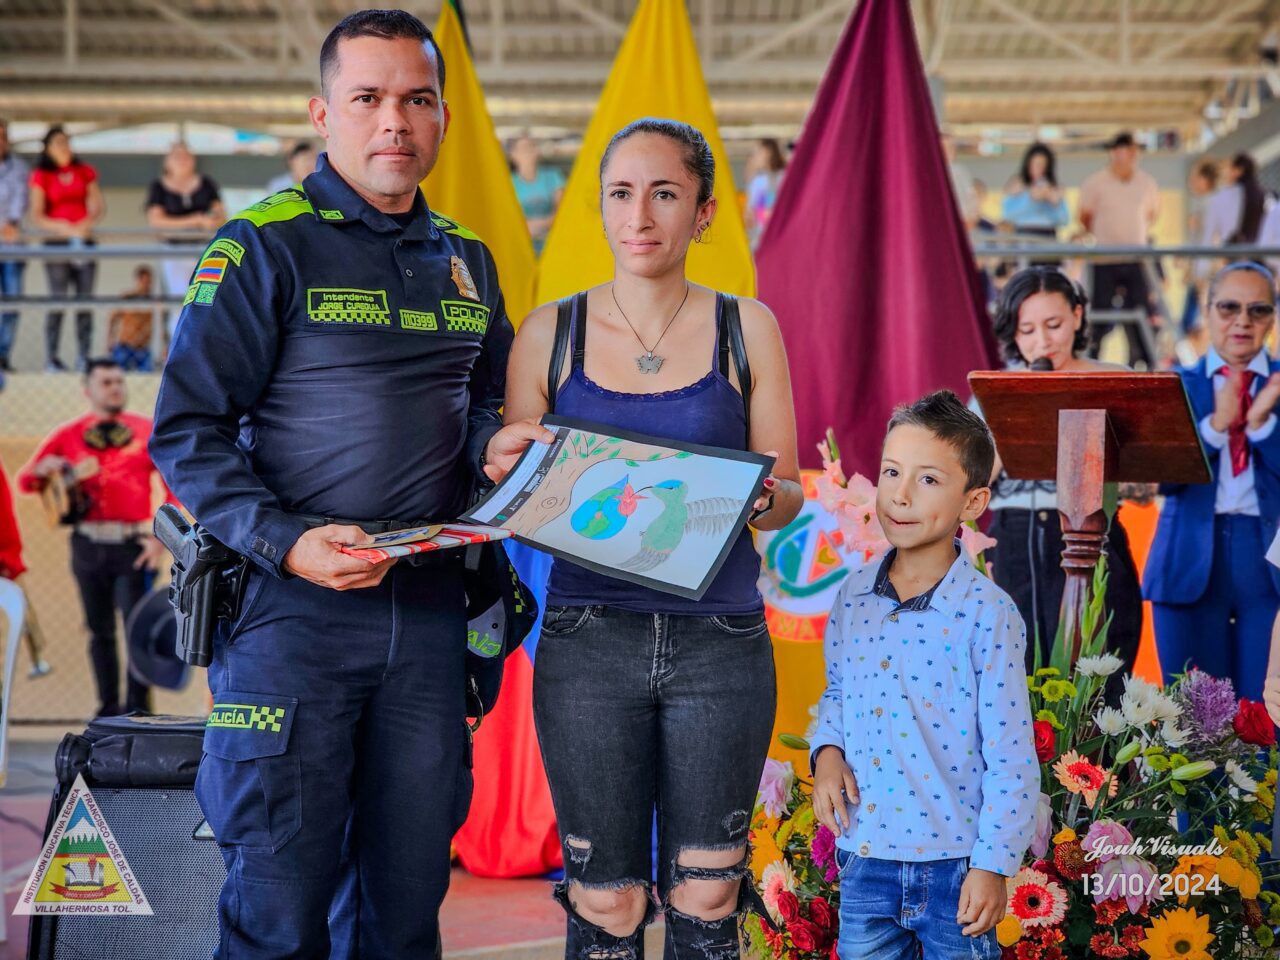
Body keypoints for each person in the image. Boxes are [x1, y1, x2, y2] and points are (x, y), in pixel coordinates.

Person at [148, 11, 549, 957]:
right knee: (278, 916)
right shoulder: (260, 246)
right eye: (367, 99)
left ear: (443, 118)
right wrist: (285, 541)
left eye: (415, 100)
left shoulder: (470, 259)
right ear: (323, 114)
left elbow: (487, 402)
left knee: (404, 918)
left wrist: (495, 442)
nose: (393, 123)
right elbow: (186, 430)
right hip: (291, 622)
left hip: (429, 620)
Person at [503, 116, 803, 959]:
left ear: (703, 213)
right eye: (622, 194)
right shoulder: (546, 333)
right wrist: (505, 465)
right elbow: (519, 493)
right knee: (608, 902)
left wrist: (736, 499)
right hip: (586, 639)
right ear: (600, 208)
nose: (641, 215)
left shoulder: (750, 328)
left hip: (722, 638)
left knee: (709, 892)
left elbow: (786, 497)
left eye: (665, 194)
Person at [810, 390, 1036, 960]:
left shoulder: (988, 614)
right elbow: (837, 693)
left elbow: (1012, 754)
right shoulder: (853, 596)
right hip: (865, 862)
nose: (900, 495)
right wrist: (827, 752)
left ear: (973, 501)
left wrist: (992, 865)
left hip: (956, 871)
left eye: (928, 480)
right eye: (891, 472)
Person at [982, 267, 1143, 697]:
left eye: (1053, 325)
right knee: (1017, 675)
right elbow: (973, 484)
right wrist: (1018, 408)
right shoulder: (993, 391)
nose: (1042, 341)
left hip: (1090, 533)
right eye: (1027, 330)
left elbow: (1142, 478)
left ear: (1076, 315)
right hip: (1014, 539)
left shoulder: (1114, 377)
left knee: (1098, 677)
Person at [1144, 261, 1280, 702]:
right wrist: (1216, 427)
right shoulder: (1174, 384)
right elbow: (1161, 479)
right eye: (1229, 307)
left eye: (1258, 310)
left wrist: (1261, 427)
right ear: (1206, 312)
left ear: (1272, 319)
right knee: (1194, 720)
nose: (1243, 320)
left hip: (1269, 561)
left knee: (1268, 713)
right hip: (1189, 554)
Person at [16, 358, 170, 716]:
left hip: (133, 544)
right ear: (88, 389)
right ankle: (107, 710)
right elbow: (25, 481)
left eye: (119, 381)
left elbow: (172, 487)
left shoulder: (145, 430)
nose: (115, 387)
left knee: (137, 628)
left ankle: (139, 711)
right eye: (106, 382)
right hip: (87, 543)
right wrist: (42, 469)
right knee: (99, 630)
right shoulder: (69, 434)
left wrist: (161, 539)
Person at [1079, 131, 1160, 368]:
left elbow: (1152, 215)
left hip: (1137, 259)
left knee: (1140, 313)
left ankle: (1144, 365)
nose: (1131, 156)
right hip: (1104, 260)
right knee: (1099, 316)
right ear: (1114, 153)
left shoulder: (1147, 183)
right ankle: (1091, 363)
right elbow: (1085, 217)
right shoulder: (1095, 182)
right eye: (1125, 151)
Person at [29, 126, 104, 373]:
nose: (64, 147)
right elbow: (37, 215)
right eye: (58, 143)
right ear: (48, 148)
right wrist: (62, 228)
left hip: (84, 240)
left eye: (66, 141)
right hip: (57, 242)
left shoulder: (84, 171)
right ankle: (52, 357)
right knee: (58, 298)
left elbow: (98, 206)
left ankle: (84, 356)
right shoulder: (42, 175)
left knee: (84, 300)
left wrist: (85, 224)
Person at [145, 142, 225, 321]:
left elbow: (220, 214)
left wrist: (210, 220)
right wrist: (195, 220)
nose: (182, 160)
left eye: (186, 156)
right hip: (174, 250)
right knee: (180, 300)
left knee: (206, 298)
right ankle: (181, 344)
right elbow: (156, 220)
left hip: (205, 249)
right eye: (177, 156)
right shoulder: (159, 186)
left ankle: (203, 343)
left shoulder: (207, 184)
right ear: (167, 162)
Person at [0, 119, 29, 372]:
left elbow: (21, 200)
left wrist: (11, 223)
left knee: (12, 302)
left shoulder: (19, 167)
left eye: (2, 136)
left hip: (12, 245)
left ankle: (3, 356)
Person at [1000, 142, 1068, 246]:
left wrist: (1054, 203)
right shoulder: (1017, 187)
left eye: (1042, 165)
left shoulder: (1054, 189)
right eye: (1034, 164)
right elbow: (1007, 215)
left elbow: (1064, 220)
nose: (1038, 170)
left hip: (1048, 236)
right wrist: (1030, 200)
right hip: (1024, 236)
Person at [1182, 159, 1219, 339]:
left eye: (1195, 178)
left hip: (1203, 272)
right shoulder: (1203, 203)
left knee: (1194, 323)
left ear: (1205, 180)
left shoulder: (1210, 205)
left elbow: (1207, 240)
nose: (1191, 182)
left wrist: (1200, 271)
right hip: (1199, 270)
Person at [509, 134, 565, 255]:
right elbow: (507, 219)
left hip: (553, 244)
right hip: (520, 247)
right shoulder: (508, 183)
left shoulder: (553, 176)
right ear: (513, 155)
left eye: (532, 146)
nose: (528, 152)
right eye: (523, 148)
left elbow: (563, 212)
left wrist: (536, 225)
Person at [106, 265, 157, 371]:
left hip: (142, 348)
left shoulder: (153, 302)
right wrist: (110, 339)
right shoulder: (128, 298)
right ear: (138, 281)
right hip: (125, 346)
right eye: (144, 281)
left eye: (149, 282)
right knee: (117, 371)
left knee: (148, 374)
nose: (147, 285)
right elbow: (113, 318)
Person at [745, 137, 786, 250]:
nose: (754, 157)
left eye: (757, 152)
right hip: (766, 241)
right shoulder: (759, 181)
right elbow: (754, 215)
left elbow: (759, 213)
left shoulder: (780, 178)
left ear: (767, 152)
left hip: (774, 240)